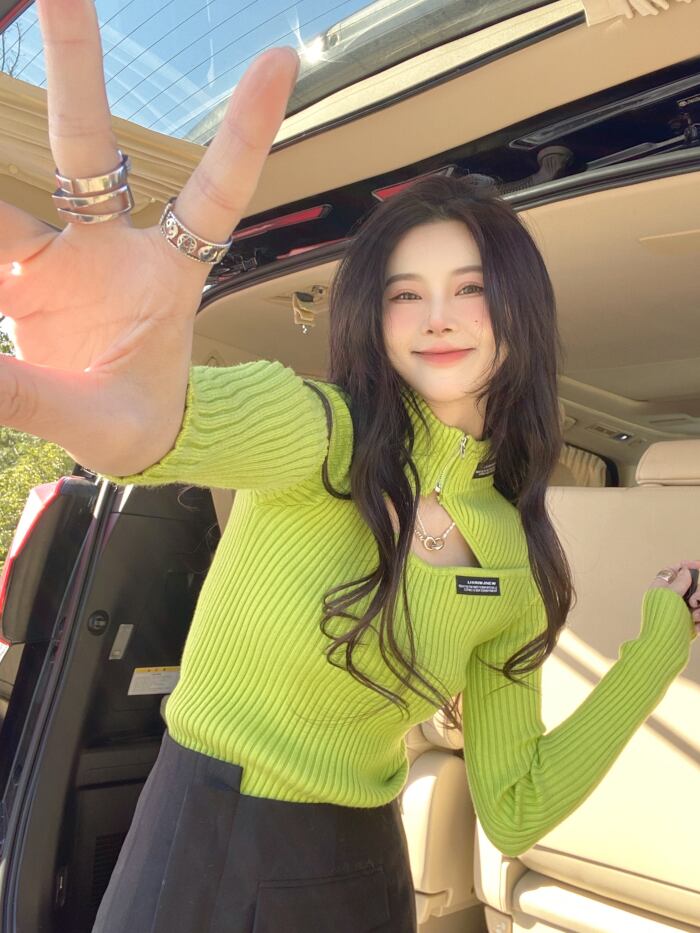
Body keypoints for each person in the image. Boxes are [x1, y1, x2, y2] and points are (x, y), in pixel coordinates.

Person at [0, 2, 698, 931]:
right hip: (197, 845)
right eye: (406, 293)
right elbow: (167, 429)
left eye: (471, 288)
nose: (437, 316)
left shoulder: (517, 560)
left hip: (365, 871)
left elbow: (518, 804)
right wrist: (126, 400)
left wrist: (657, 650)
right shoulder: (321, 429)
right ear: (374, 314)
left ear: (519, 312)